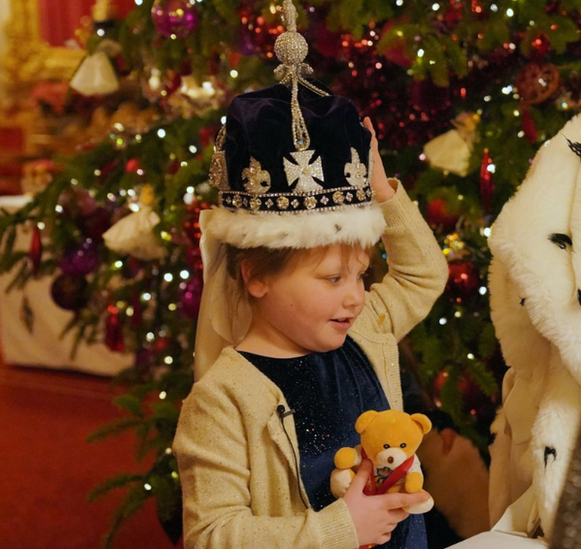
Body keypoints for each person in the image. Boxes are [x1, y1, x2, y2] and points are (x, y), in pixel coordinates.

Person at [172, 5, 447, 548]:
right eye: (330, 279)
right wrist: (340, 528)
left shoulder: (364, 331)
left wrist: (384, 194)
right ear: (256, 276)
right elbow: (212, 536)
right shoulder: (223, 399)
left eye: (360, 275)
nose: (354, 296)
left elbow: (422, 275)